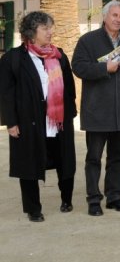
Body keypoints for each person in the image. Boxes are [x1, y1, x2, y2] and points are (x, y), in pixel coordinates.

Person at [0, 11, 77, 222]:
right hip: (28, 121)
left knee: (64, 159)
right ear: (31, 33)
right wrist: (11, 122)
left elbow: (69, 88)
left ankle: (66, 199)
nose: (50, 32)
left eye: (51, 27)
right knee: (29, 163)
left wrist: (69, 115)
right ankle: (33, 208)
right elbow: (6, 94)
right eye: (45, 28)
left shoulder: (59, 55)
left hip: (58, 119)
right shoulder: (13, 59)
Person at [72, 0, 120, 216]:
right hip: (97, 111)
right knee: (94, 158)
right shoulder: (88, 40)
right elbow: (78, 67)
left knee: (117, 157)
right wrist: (105, 68)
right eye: (114, 15)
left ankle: (114, 197)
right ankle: (94, 200)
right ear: (104, 17)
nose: (118, 20)